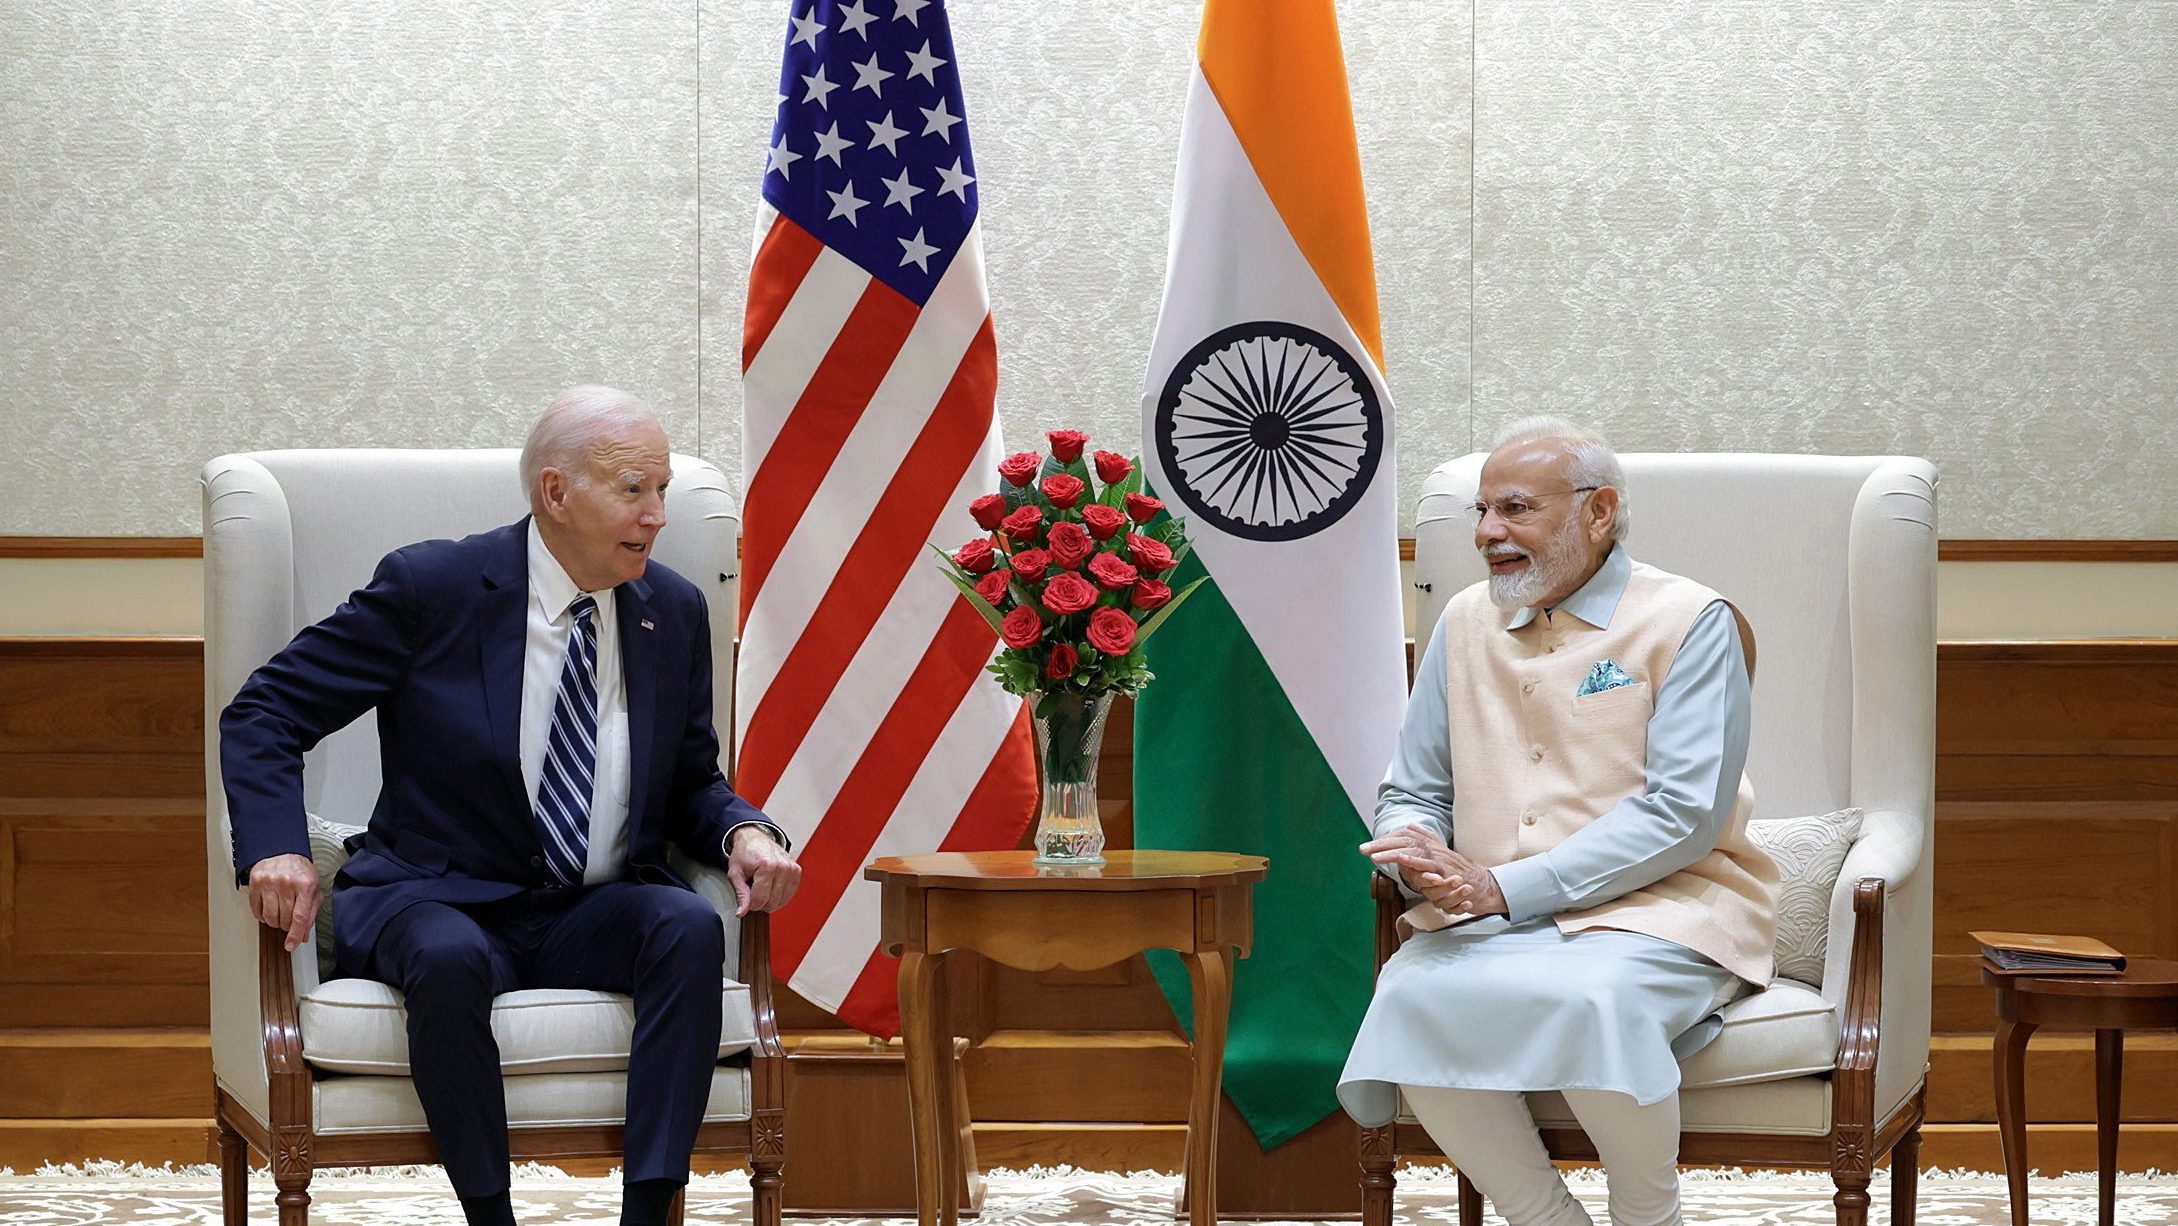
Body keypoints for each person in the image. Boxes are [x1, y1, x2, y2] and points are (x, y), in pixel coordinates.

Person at [222, 386, 801, 1226]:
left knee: (685, 926)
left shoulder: (670, 611)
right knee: (448, 956)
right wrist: (276, 848)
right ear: (556, 493)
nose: (657, 515)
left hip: (588, 909)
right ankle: (490, 1216)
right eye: (633, 489)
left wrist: (744, 830)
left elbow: (688, 783)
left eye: (662, 490)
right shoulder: (434, 588)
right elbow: (266, 711)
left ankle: (648, 1213)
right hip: (436, 895)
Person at [1338, 418, 1777, 1226]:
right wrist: (1416, 849)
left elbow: (1683, 814)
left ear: (1598, 512)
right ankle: (1544, 1218)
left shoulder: (1690, 618)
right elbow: (1413, 788)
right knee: (1410, 995)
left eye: (1514, 509)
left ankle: (1649, 1218)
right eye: (1481, 511)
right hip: (1489, 915)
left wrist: (1504, 887)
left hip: (1667, 908)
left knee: (1593, 996)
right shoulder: (1463, 621)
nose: (1487, 533)